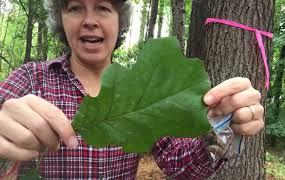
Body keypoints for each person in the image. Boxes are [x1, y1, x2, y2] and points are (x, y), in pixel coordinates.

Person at [0, 0, 264, 179]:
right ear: (60, 19)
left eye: (103, 8)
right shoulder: (31, 80)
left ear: (120, 21)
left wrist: (223, 125)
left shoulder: (141, 89)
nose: (90, 20)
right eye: (76, 8)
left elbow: (182, 166)